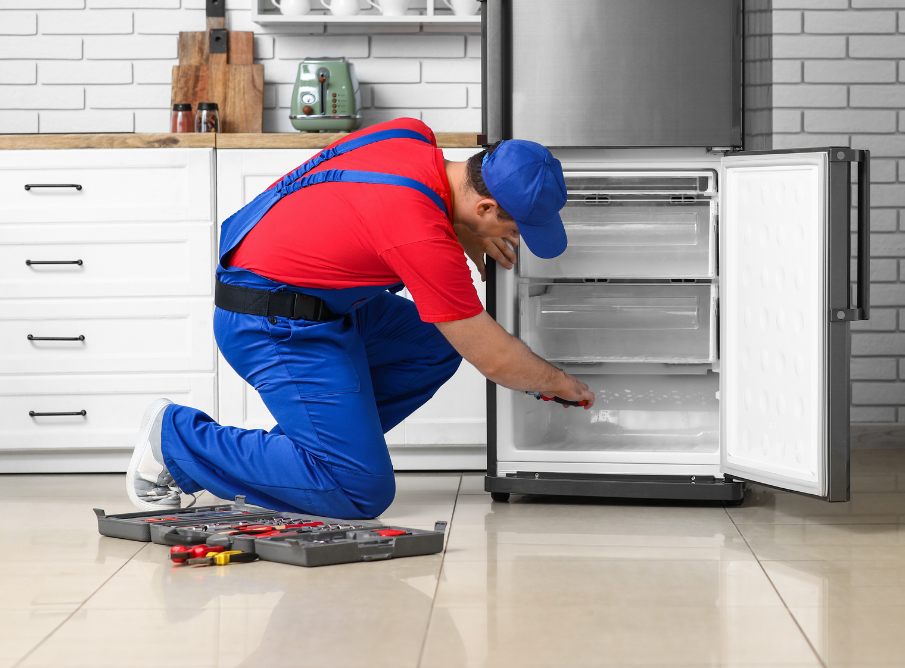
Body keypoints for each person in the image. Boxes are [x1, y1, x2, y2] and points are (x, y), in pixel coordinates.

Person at [124, 118, 595, 515]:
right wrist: (560, 383)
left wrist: (466, 227)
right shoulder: (421, 237)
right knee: (360, 490)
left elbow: (378, 202)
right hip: (271, 323)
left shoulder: (411, 136)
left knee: (432, 347)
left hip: (324, 301)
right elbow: (493, 358)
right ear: (486, 205)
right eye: (513, 227)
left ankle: (298, 458)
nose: (516, 237)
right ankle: (175, 439)